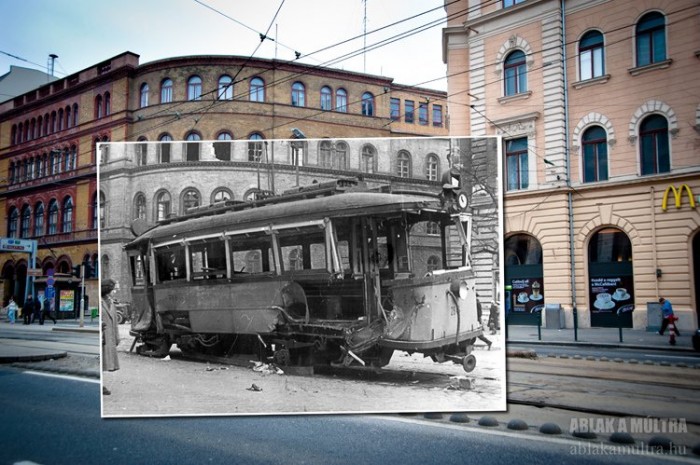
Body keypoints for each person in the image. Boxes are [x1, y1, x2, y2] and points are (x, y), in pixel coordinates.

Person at [101, 279, 120, 395]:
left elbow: (115, 322)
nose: (114, 292)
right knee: (101, 360)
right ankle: (101, 385)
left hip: (109, 337)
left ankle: (101, 384)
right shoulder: (100, 302)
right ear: (107, 289)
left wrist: (117, 336)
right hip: (102, 336)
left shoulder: (111, 302)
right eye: (113, 289)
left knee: (104, 360)